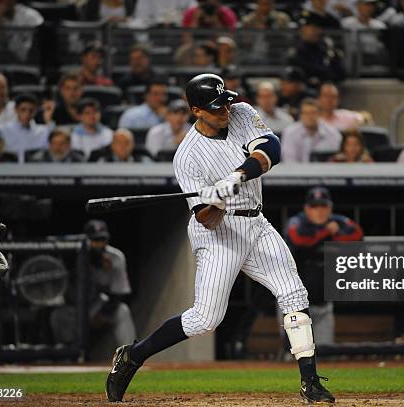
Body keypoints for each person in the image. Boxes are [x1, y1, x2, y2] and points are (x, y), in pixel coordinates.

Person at [106, 73, 335, 404]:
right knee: (205, 318)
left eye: (224, 101)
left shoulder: (240, 111)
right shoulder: (187, 157)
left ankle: (310, 382)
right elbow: (206, 218)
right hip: (218, 233)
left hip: (256, 224)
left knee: (294, 293)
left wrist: (236, 177)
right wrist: (216, 199)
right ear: (196, 110)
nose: (225, 109)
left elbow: (272, 149)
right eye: (215, 107)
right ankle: (133, 355)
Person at [285, 187, 363, 345]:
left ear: (330, 208)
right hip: (295, 305)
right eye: (314, 206)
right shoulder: (297, 222)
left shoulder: (338, 221)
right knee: (295, 353)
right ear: (306, 208)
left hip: (323, 304)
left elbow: (357, 235)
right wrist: (326, 233)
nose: (319, 211)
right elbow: (299, 240)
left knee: (326, 353)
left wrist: (332, 235)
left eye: (323, 206)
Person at [51, 220, 136, 350]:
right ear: (86, 240)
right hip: (76, 309)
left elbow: (119, 293)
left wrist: (103, 314)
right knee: (57, 315)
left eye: (103, 239)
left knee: (122, 311)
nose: (100, 244)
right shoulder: (73, 255)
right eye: (95, 240)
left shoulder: (115, 257)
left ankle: (129, 355)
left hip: (99, 307)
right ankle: (67, 355)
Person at [288, 13, 346, 86]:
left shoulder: (327, 48)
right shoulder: (297, 50)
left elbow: (341, 74)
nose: (316, 32)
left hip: (327, 88)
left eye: (315, 29)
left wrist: (323, 77)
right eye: (304, 28)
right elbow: (298, 71)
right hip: (305, 89)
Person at [281, 98, 342, 163]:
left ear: (319, 114)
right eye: (306, 113)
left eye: (313, 113)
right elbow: (289, 161)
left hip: (326, 172)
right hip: (296, 172)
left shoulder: (332, 133)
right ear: (300, 115)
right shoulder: (290, 133)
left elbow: (334, 159)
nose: (310, 117)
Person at [0, 94, 54, 162]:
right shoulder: (3, 130)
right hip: (9, 169)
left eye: (31, 110)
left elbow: (54, 147)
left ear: (35, 111)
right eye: (23, 110)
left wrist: (48, 120)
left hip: (37, 169)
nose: (27, 114)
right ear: (15, 109)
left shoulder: (44, 131)